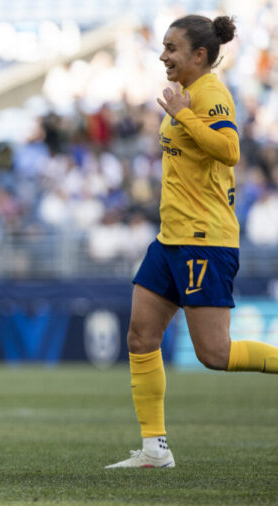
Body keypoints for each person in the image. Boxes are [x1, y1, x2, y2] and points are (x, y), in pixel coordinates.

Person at [107, 14, 278, 469]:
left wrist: (182, 113)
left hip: (205, 241)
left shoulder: (210, 94)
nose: (162, 55)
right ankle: (153, 450)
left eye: (171, 48)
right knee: (141, 336)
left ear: (199, 55)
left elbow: (230, 150)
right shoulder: (185, 95)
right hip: (170, 239)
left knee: (214, 354)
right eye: (162, 46)